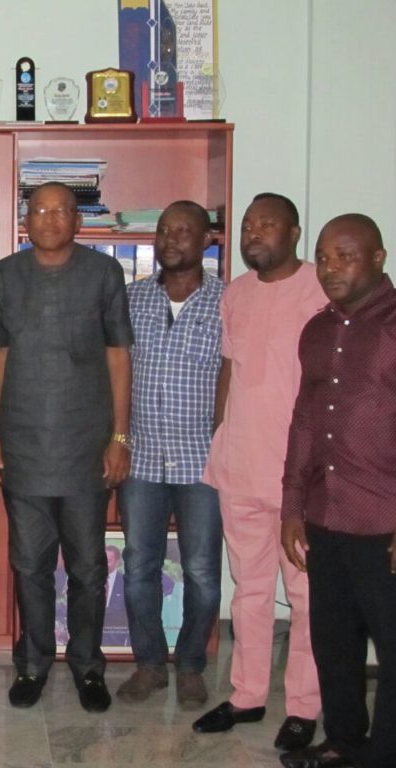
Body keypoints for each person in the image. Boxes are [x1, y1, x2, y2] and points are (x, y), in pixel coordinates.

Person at [0, 181, 133, 711]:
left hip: (86, 448)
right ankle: (34, 664)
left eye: (61, 211)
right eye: (39, 210)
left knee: (89, 566)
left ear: (77, 220)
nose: (49, 220)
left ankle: (89, 667)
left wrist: (119, 437)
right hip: (23, 446)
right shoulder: (5, 276)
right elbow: (0, 356)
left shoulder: (103, 274)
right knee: (29, 564)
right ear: (26, 219)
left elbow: (119, 357)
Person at [195, 193, 324, 752]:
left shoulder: (323, 286)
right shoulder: (236, 294)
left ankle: (303, 707)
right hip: (241, 466)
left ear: (294, 232)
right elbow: (229, 367)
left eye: (267, 224)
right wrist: (221, 431)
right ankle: (247, 696)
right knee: (248, 590)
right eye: (248, 225)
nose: (254, 233)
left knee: (306, 597)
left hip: (303, 477)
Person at [279, 214, 395, 768]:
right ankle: (346, 743)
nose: (330, 267)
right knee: (334, 644)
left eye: (345, 255)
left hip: (384, 522)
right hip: (327, 516)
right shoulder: (318, 330)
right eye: (323, 256)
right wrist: (292, 507)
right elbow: (304, 421)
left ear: (378, 257)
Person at [116, 201, 223, 711]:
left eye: (185, 230)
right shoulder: (130, 298)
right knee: (139, 565)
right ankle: (150, 665)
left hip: (204, 460)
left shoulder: (228, 302)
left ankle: (193, 666)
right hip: (141, 458)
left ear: (208, 240)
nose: (172, 238)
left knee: (202, 569)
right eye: (164, 230)